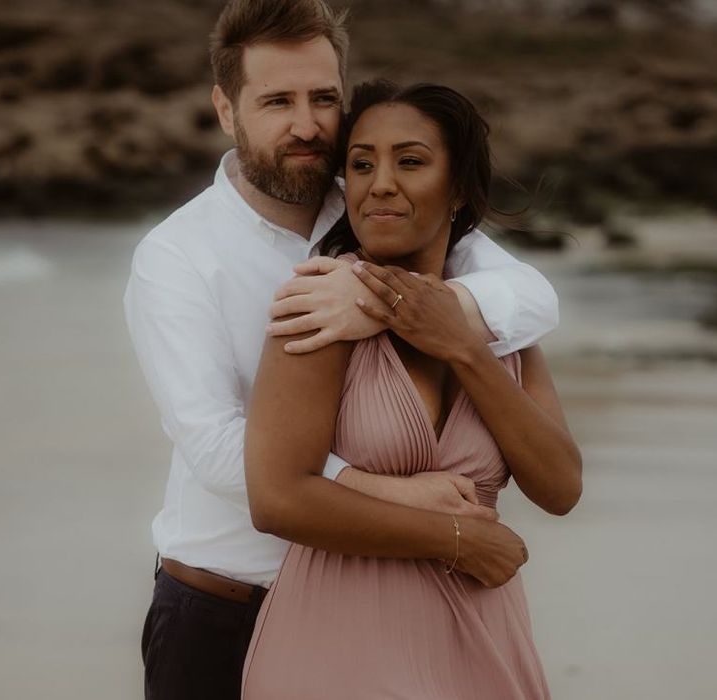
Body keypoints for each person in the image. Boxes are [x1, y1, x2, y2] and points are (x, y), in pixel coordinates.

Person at [123, 1, 560, 699]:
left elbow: (532, 296)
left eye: (324, 98)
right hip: (228, 607)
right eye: (277, 102)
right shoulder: (177, 257)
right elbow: (212, 447)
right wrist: (389, 493)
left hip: (373, 611)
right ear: (226, 109)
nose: (307, 126)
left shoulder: (375, 201)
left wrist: (391, 302)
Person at [241, 80, 582, 700]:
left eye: (411, 161)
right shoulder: (320, 308)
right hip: (337, 651)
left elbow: (560, 486)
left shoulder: (500, 322)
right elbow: (277, 499)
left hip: (483, 644)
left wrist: (462, 345)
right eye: (362, 164)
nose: (382, 183)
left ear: (457, 190)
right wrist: (455, 538)